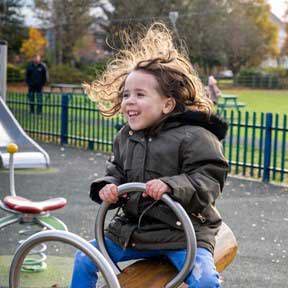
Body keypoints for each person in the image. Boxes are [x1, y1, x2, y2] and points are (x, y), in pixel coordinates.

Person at [70, 23, 229, 288]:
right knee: (84, 258)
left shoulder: (195, 136)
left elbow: (209, 180)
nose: (129, 101)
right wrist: (109, 186)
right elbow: (117, 170)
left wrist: (170, 185)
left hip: (183, 233)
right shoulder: (126, 136)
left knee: (205, 281)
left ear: (167, 104)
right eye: (126, 95)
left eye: (140, 95)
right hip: (135, 232)